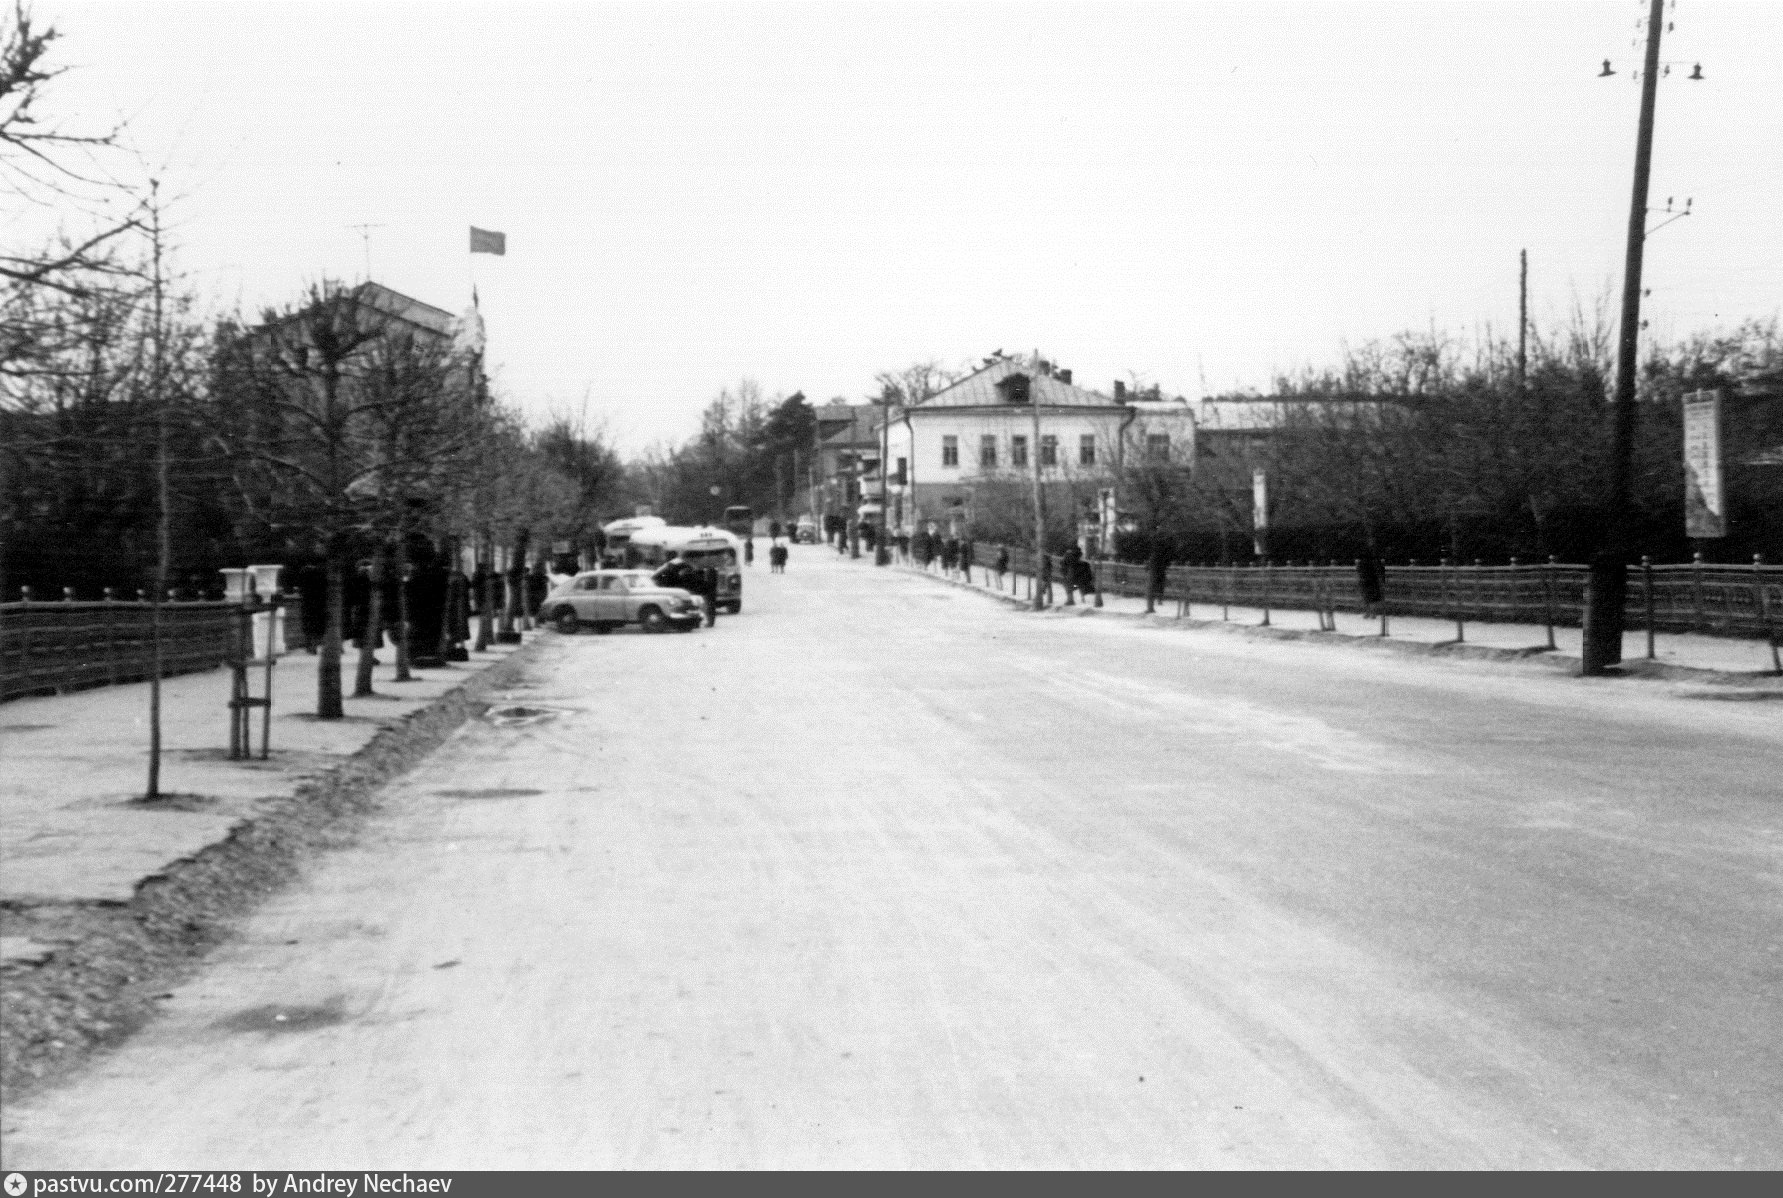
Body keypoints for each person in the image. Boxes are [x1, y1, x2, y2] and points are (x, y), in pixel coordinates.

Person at [1146, 540, 1172, 614]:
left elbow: (1151, 563)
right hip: (1159, 573)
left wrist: (1148, 567)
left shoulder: (1155, 555)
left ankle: (1151, 607)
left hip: (1155, 573)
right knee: (1158, 588)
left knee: (1151, 590)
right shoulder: (1161, 554)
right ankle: (1156, 602)